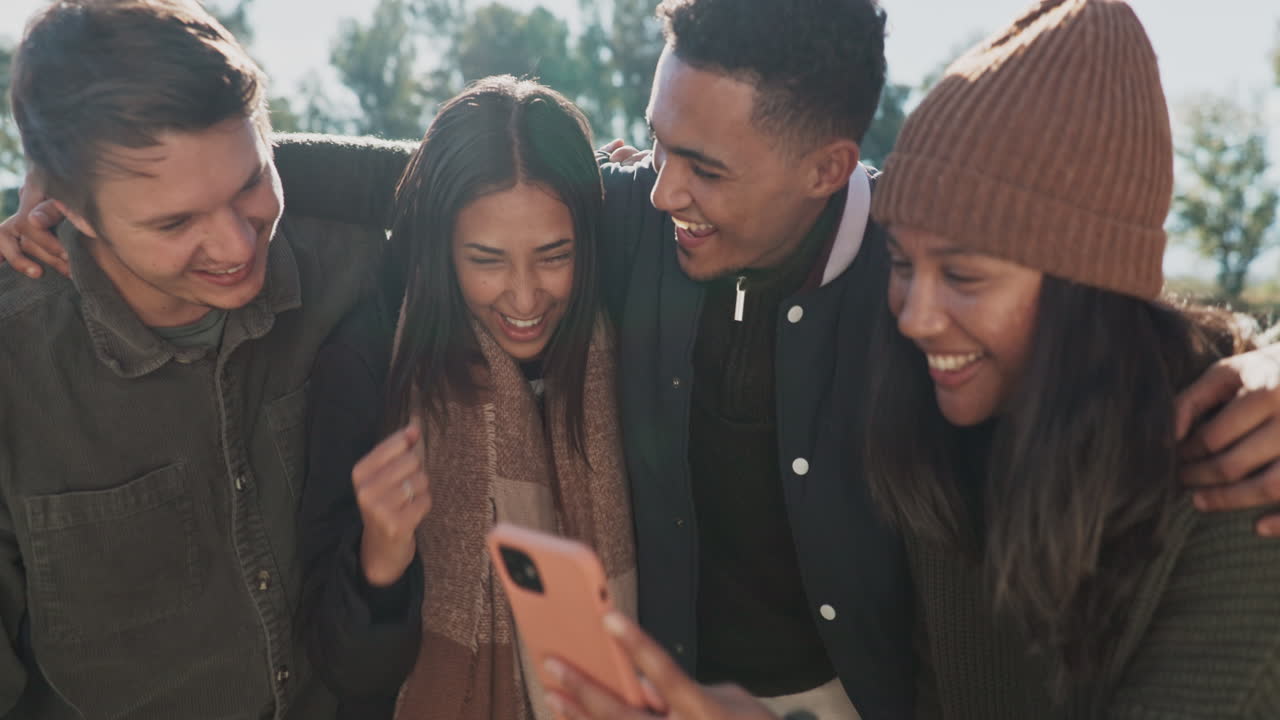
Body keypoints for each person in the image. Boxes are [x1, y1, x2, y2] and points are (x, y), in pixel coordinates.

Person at [11, 1, 1280, 718]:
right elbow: (445, 171)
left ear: (831, 173)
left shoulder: (915, 264)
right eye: (654, 141)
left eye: (704, 166)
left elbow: (1117, 323)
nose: (658, 184)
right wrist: (61, 199)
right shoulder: (626, 218)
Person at [549, 1, 1280, 718]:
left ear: (1088, 291)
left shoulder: (1238, 497)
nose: (915, 316)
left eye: (963, 277)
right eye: (901, 263)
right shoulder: (938, 439)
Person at [0, 1, 397, 717]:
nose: (238, 247)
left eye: (249, 183)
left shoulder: (350, 263)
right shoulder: (15, 366)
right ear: (69, 211)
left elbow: (493, 180)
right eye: (175, 222)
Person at [297, 75, 636, 720]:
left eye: (554, 255)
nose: (526, 296)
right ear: (441, 243)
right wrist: (381, 560)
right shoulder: (373, 364)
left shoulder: (624, 326)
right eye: (487, 259)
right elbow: (346, 671)